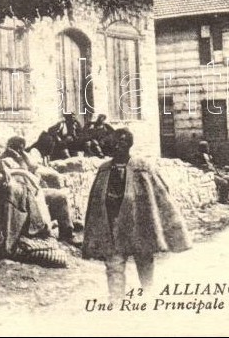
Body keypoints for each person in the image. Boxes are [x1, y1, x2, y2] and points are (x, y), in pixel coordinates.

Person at [82, 128, 192, 300]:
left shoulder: (143, 168)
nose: (118, 146)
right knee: (113, 265)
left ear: (129, 145)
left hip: (139, 224)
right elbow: (94, 202)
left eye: (123, 142)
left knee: (144, 262)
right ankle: (116, 303)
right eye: (115, 142)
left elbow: (161, 193)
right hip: (112, 225)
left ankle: (148, 299)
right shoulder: (104, 170)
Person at [0, 136, 81, 252]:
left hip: (36, 190)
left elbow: (34, 168)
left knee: (60, 196)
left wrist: (23, 155)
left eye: (22, 148)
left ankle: (67, 234)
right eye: (17, 148)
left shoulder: (24, 157)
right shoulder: (4, 160)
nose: (19, 151)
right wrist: (18, 158)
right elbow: (11, 175)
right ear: (10, 148)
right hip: (23, 194)